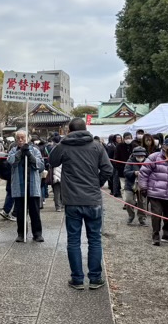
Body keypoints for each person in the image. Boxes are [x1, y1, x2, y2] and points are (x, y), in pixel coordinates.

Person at [49, 117, 113, 290]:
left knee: (74, 240)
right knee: (94, 239)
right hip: (92, 199)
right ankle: (95, 278)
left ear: (69, 131)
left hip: (72, 200)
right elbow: (108, 169)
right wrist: (97, 183)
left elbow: (52, 161)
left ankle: (77, 279)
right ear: (85, 129)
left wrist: (62, 141)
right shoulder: (97, 146)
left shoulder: (64, 146)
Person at [139, 136, 168, 246]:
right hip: (155, 191)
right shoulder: (154, 157)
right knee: (156, 215)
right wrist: (143, 187)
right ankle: (155, 236)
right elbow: (143, 173)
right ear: (164, 146)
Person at [7, 129, 45, 242]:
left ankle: (37, 234)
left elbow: (40, 165)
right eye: (18, 138)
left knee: (35, 212)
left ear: (27, 138)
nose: (20, 140)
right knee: (20, 212)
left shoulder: (35, 150)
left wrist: (29, 154)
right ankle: (21, 233)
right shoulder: (13, 150)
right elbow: (11, 161)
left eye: (23, 137)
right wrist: (20, 152)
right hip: (19, 186)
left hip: (32, 185)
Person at [123, 146, 148, 226]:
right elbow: (126, 173)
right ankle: (131, 215)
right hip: (130, 184)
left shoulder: (148, 162)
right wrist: (134, 173)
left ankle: (142, 219)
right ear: (134, 155)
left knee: (142, 203)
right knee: (128, 200)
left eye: (142, 156)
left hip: (142, 185)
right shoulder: (130, 161)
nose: (140, 157)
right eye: (138, 156)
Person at [0, 151, 16, 221]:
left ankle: (7, 211)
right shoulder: (15, 150)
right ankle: (7, 211)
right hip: (13, 175)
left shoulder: (12, 148)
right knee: (13, 194)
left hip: (9, 175)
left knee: (10, 193)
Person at [113, 132, 134, 196]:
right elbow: (116, 158)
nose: (128, 139)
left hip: (132, 171)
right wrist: (119, 167)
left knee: (132, 187)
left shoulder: (134, 145)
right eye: (126, 138)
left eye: (129, 138)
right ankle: (126, 202)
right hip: (122, 171)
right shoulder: (119, 146)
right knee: (123, 187)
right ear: (124, 138)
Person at [48, 135, 63, 211]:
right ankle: (62, 204)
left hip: (56, 172)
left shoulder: (53, 149)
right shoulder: (65, 148)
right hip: (63, 173)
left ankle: (58, 206)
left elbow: (51, 161)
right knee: (63, 191)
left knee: (56, 191)